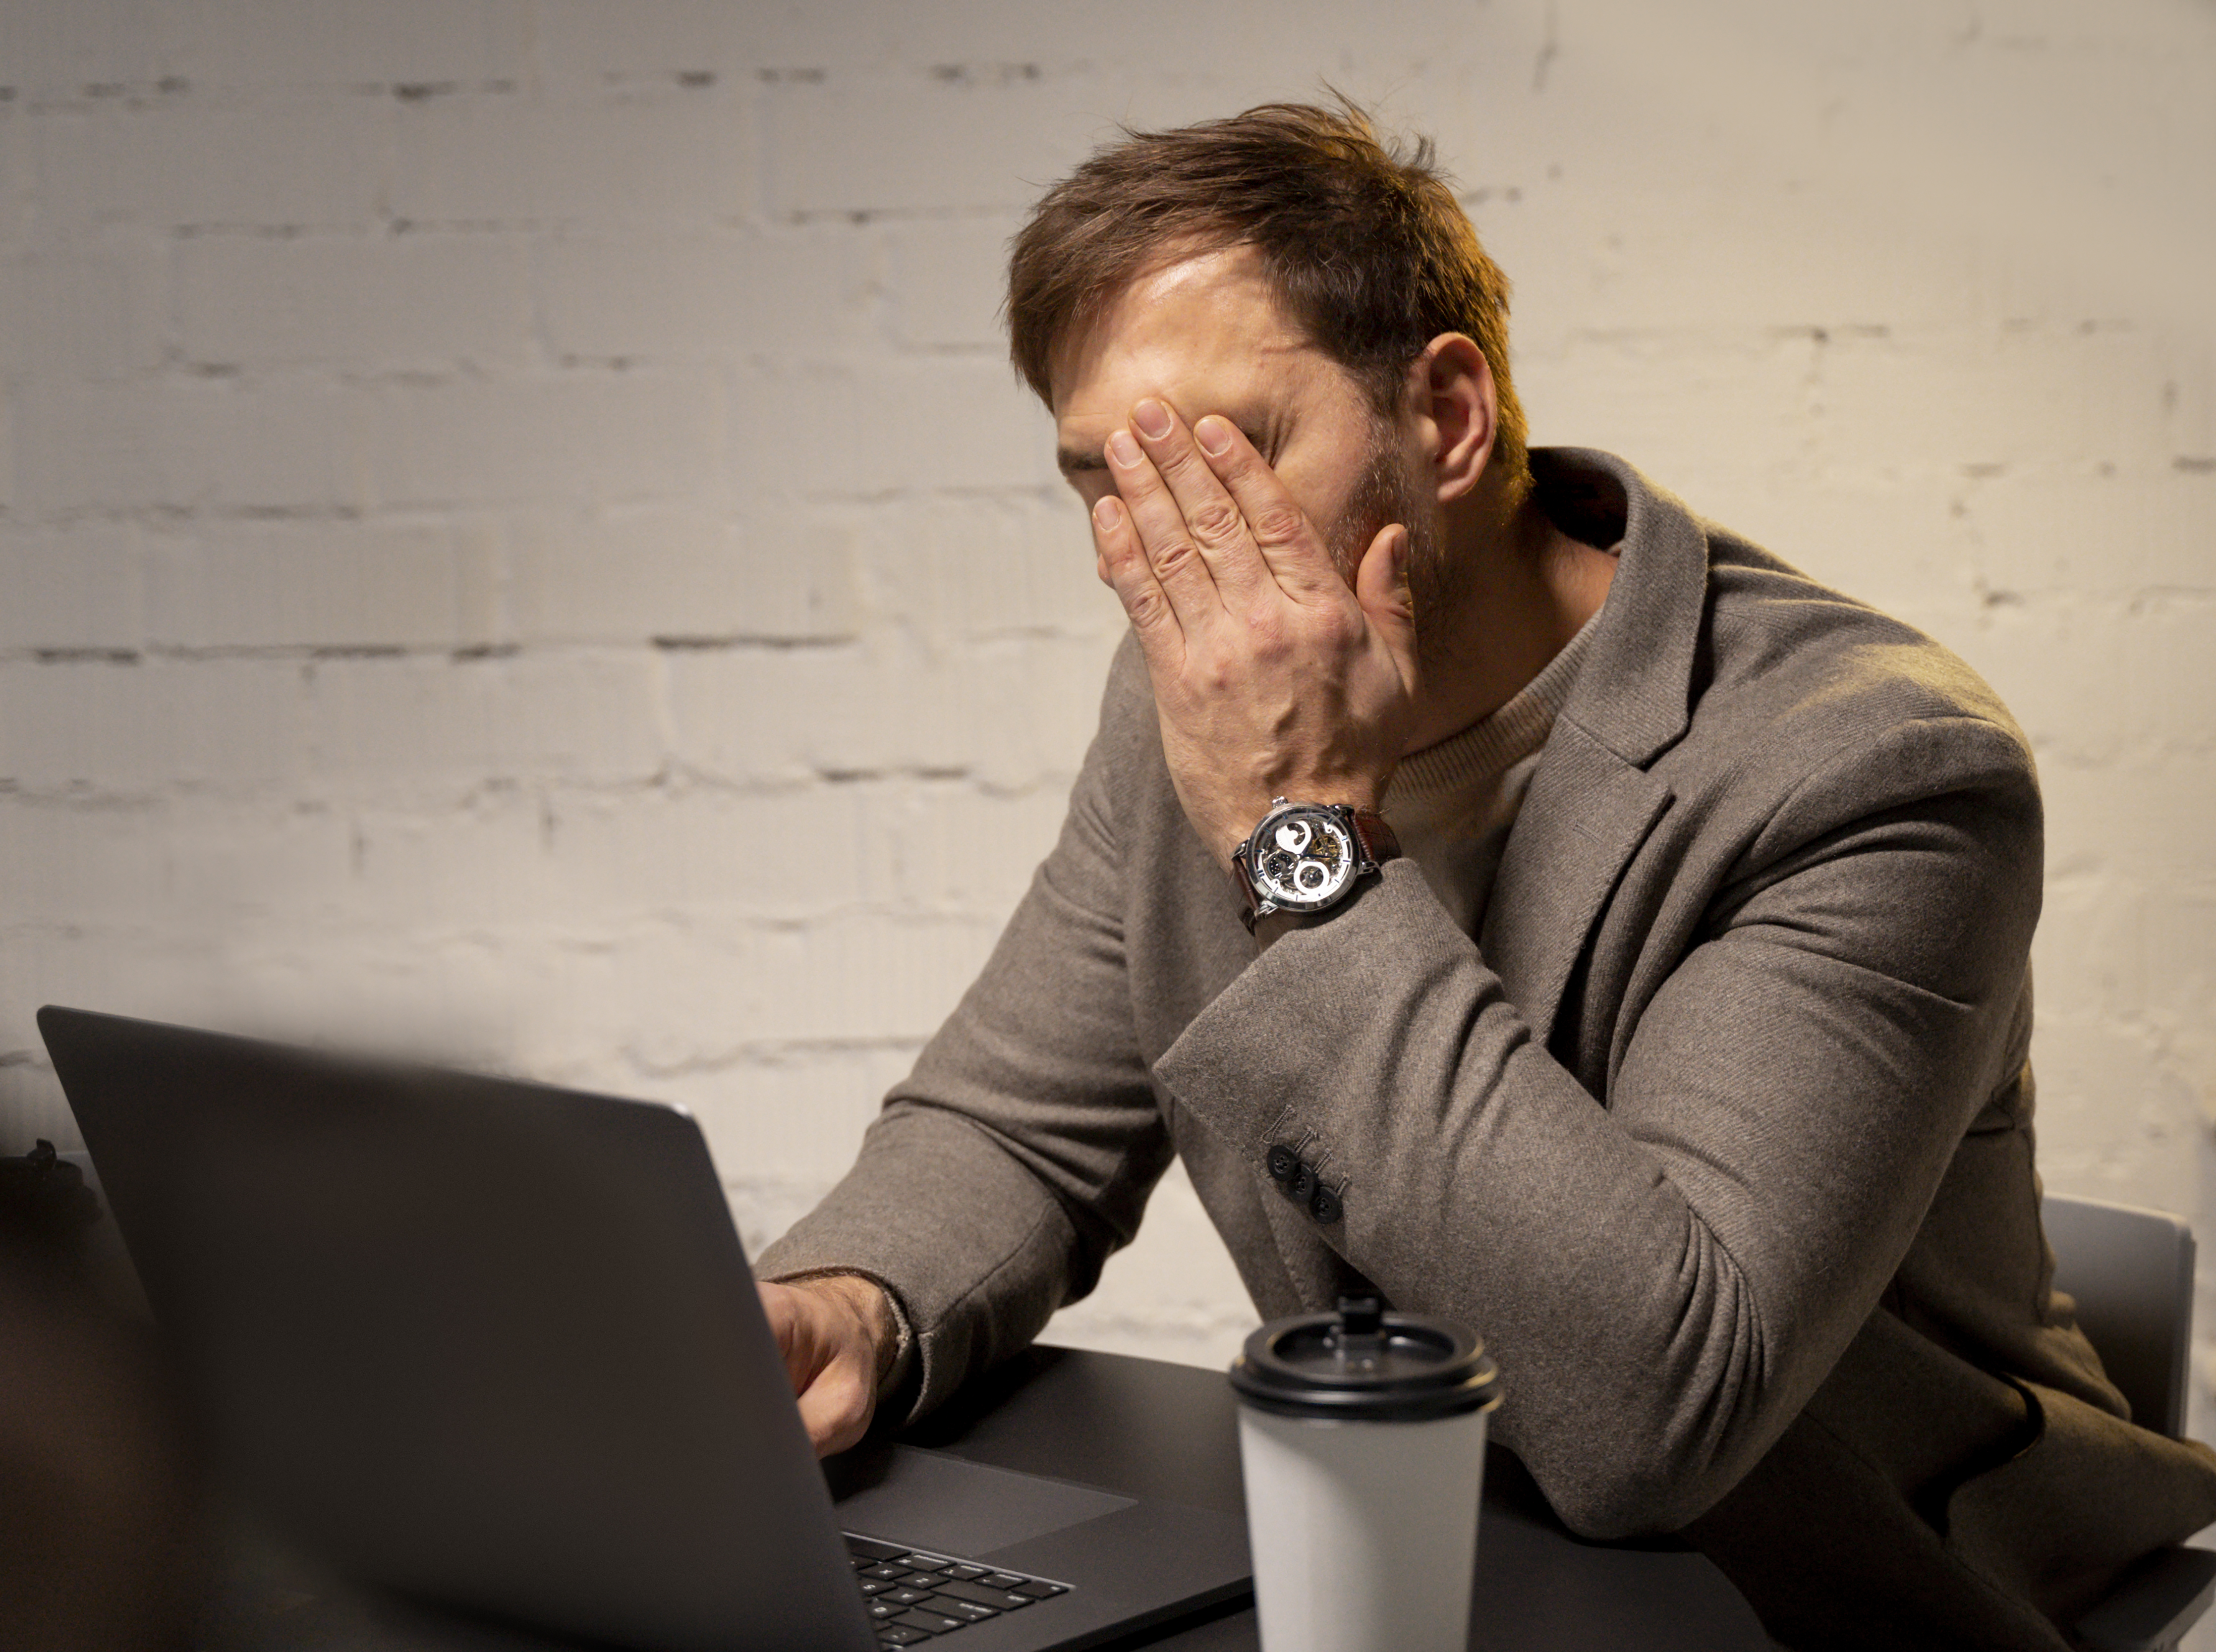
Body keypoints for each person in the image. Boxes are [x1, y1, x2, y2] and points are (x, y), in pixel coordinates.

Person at [749, 100, 2216, 1650]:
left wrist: (1298, 826)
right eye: (1102, 484)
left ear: (1447, 417)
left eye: (1227, 457)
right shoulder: (1194, 704)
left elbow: (1657, 1416)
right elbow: (1018, 1125)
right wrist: (855, 1304)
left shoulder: (1874, 772)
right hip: (1441, 1571)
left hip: (1822, 1597)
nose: (1166, 551)